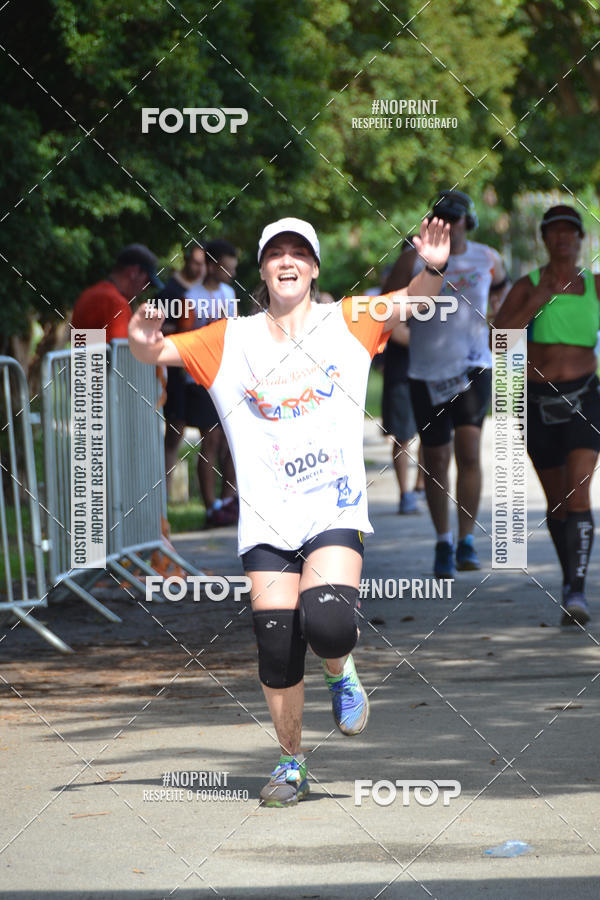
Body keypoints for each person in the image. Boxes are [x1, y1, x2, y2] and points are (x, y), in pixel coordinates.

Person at [128, 215, 450, 806]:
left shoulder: (347, 321)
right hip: (266, 518)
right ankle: (291, 762)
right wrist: (141, 328)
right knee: (276, 643)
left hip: (333, 506)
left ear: (315, 268)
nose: (287, 261)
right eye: (275, 252)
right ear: (262, 269)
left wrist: (431, 264)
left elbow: (414, 300)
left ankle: (339, 670)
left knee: (327, 625)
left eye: (299, 252)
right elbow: (153, 349)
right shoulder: (230, 339)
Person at [384, 190, 509, 576]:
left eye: (454, 219)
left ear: (468, 222)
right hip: (426, 371)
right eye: (440, 219)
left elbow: (503, 294)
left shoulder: (488, 257)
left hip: (473, 368)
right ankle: (443, 541)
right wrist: (403, 331)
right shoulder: (412, 259)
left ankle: (467, 540)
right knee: (436, 459)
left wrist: (496, 331)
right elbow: (384, 305)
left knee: (468, 451)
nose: (448, 226)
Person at [493, 204, 600, 626]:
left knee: (578, 493)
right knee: (557, 503)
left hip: (586, 399)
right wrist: (537, 301)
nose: (562, 238)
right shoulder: (528, 284)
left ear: (579, 240)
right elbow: (499, 342)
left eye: (569, 232)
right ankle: (569, 579)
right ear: (544, 239)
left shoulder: (594, 285)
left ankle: (576, 591)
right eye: (553, 232)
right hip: (537, 402)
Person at [185, 239, 239, 526]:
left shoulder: (229, 294)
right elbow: (183, 337)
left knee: (230, 440)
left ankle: (229, 502)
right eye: (227, 268)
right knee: (211, 439)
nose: (231, 274)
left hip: (227, 375)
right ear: (213, 265)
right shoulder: (190, 297)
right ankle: (210, 506)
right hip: (200, 377)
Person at [159, 243, 207, 494]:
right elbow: (158, 329)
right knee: (174, 433)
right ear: (186, 261)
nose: (200, 268)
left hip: (199, 373)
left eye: (204, 263)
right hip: (177, 373)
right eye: (196, 263)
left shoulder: (205, 292)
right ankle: (164, 497)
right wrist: (181, 331)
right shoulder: (169, 292)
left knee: (211, 435)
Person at [381, 242, 424, 513]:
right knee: (403, 435)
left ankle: (422, 485)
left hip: (428, 371)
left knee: (432, 433)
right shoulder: (393, 296)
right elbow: (396, 332)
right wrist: (430, 343)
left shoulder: (434, 292)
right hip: (401, 372)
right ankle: (405, 493)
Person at [72, 244, 164, 340]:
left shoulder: (88, 294)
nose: (145, 289)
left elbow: (84, 351)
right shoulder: (116, 303)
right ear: (134, 272)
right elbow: (120, 353)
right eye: (146, 282)